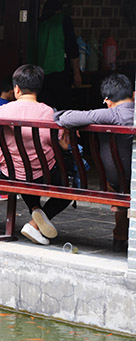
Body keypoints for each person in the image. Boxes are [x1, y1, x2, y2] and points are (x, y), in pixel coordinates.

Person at [0, 64, 71, 245]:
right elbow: (63, 146)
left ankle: (35, 213)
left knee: (23, 174)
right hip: (42, 175)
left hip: (8, 173)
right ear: (38, 89)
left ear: (16, 89)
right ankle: (35, 222)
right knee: (67, 188)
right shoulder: (49, 112)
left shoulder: (1, 111)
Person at [54, 73, 134, 252]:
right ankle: (121, 236)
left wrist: (64, 121)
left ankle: (120, 237)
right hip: (130, 180)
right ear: (134, 95)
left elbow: (66, 118)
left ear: (107, 100)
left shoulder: (109, 114)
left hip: (117, 181)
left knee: (121, 185)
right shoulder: (129, 114)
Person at [37, 0, 81, 110]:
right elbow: (72, 49)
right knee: (63, 109)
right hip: (60, 70)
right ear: (60, 9)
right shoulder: (63, 20)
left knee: (45, 107)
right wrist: (77, 74)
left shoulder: (37, 23)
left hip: (39, 73)